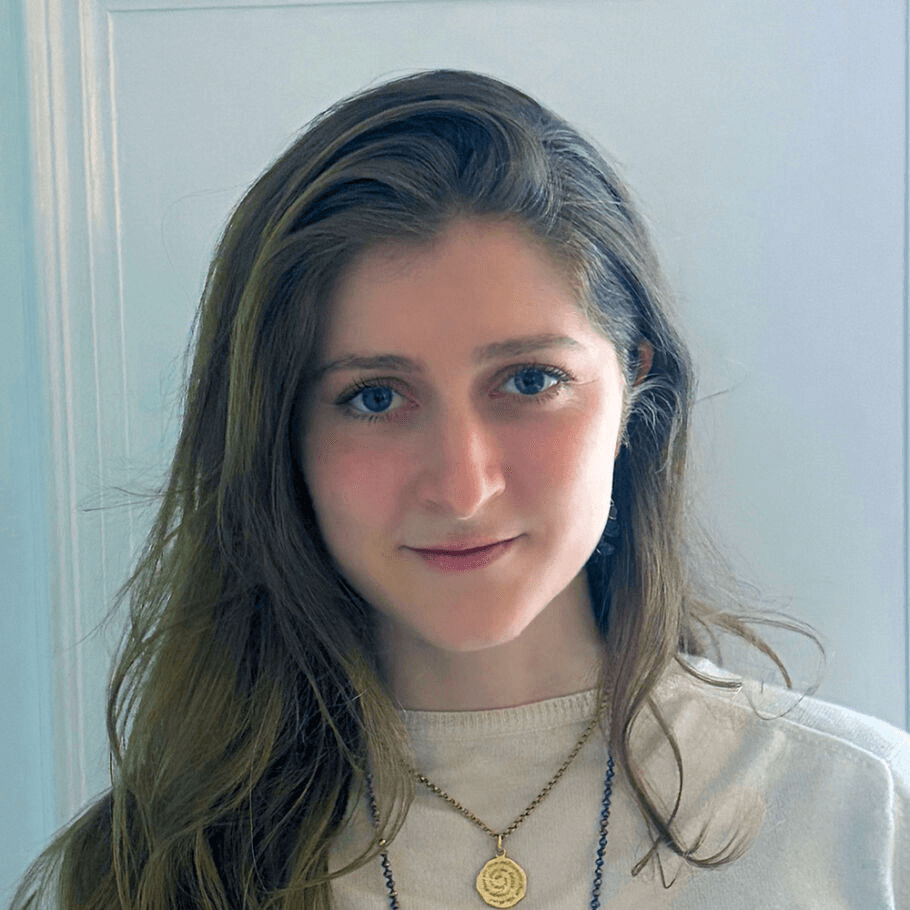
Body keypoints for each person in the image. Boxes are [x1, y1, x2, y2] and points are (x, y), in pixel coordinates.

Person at [11, 69, 908, 910]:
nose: (463, 487)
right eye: (374, 397)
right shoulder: (139, 870)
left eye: (529, 381)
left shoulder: (863, 813)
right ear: (279, 433)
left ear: (635, 384)